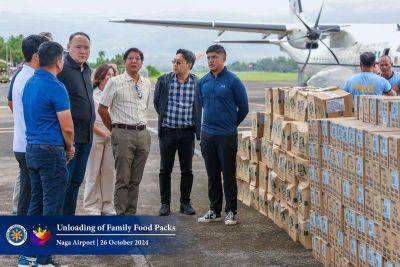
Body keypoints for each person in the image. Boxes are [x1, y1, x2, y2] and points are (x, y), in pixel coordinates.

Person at [23, 41, 74, 267]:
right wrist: (70, 146)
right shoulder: (56, 86)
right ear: (58, 61)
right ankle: (44, 259)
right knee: (52, 205)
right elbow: (68, 127)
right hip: (51, 151)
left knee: (36, 203)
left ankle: (29, 254)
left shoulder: (30, 82)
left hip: (32, 149)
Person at [197, 45, 249, 225]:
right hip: (207, 134)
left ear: (223, 59)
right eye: (208, 57)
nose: (211, 60)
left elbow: (243, 108)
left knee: (228, 174)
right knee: (212, 174)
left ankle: (231, 211)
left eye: (214, 57)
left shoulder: (234, 81)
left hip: (226, 135)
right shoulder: (203, 81)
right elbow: (201, 105)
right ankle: (214, 210)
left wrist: (230, 125)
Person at [98, 47, 152, 215]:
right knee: (123, 178)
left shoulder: (146, 83)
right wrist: (114, 130)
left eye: (137, 58)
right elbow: (102, 109)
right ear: (124, 62)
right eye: (130, 58)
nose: (134, 61)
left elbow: (145, 108)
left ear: (142, 62)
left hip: (142, 134)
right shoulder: (115, 82)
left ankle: (131, 214)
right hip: (122, 133)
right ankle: (121, 216)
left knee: (135, 179)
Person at [154, 49, 201, 216]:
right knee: (165, 169)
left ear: (189, 65)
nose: (175, 64)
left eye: (179, 62)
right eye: (173, 61)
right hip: (168, 132)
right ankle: (165, 204)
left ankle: (185, 203)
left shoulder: (197, 83)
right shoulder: (164, 81)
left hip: (187, 133)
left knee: (187, 170)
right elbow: (157, 103)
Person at [58, 32, 95, 215]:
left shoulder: (87, 69)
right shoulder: (62, 69)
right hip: (69, 140)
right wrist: (66, 141)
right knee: (64, 183)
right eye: (78, 47)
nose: (83, 51)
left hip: (86, 137)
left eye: (86, 47)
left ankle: (68, 220)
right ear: (68, 47)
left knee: (76, 183)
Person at [83, 64, 117, 215]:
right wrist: (101, 133)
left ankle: (107, 205)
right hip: (95, 135)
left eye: (112, 74)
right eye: (108, 74)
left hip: (111, 136)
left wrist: (111, 133)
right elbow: (87, 119)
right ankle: (92, 206)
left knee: (109, 172)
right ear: (101, 76)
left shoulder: (114, 94)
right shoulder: (91, 94)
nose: (110, 77)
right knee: (93, 172)